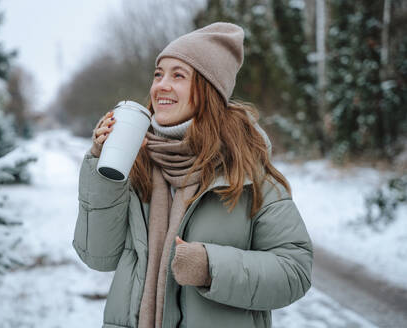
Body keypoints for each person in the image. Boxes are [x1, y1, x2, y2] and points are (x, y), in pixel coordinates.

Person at [73, 22, 313, 328]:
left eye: (178, 75)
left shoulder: (246, 173)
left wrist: (210, 267)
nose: (160, 85)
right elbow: (97, 256)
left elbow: (295, 270)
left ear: (208, 90)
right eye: (158, 74)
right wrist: (101, 166)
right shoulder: (136, 162)